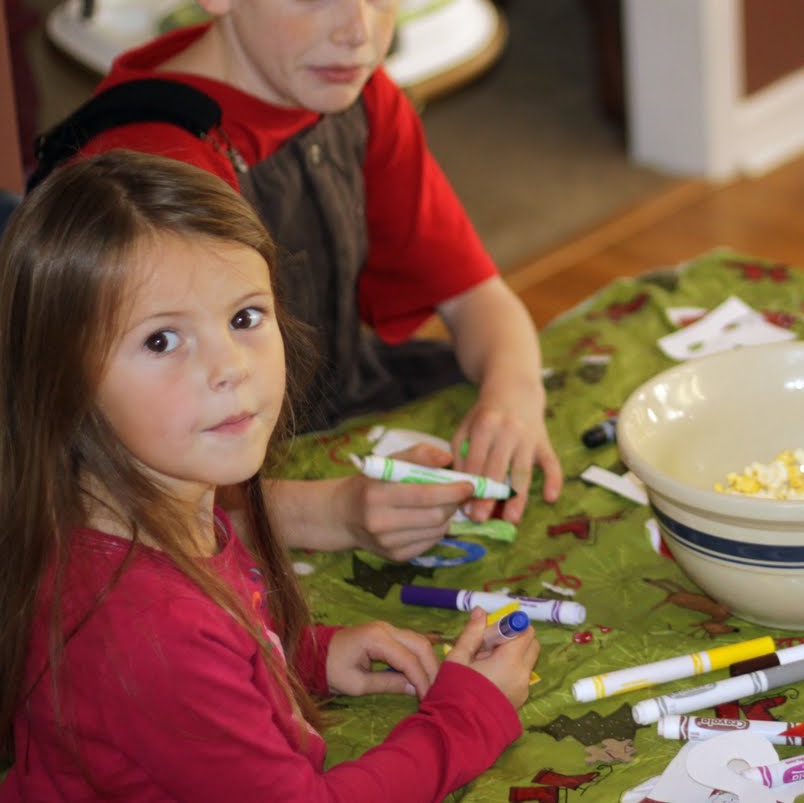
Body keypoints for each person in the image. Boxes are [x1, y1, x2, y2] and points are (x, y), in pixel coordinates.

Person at [33, 0, 562, 560]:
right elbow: (109, 489)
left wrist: (512, 399)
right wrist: (337, 515)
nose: (359, 31)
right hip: (189, 507)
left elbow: (476, 294)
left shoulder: (360, 95)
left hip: (335, 415)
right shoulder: (149, 178)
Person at [0, 151, 540, 800]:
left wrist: (307, 654)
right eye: (162, 340)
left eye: (244, 317)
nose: (230, 366)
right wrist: (468, 715)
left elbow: (223, 647)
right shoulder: (146, 629)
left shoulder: (158, 505)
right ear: (61, 381)